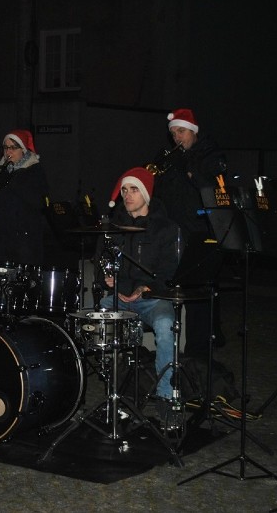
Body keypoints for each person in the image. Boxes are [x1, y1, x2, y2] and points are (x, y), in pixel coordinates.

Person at [95, 167, 181, 420]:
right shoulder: (113, 228)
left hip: (153, 299)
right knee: (98, 314)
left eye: (134, 189)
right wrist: (108, 280)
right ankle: (117, 392)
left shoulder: (166, 228)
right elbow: (101, 263)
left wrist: (145, 288)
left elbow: (172, 270)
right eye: (124, 190)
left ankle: (166, 396)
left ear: (145, 192)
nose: (128, 195)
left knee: (166, 325)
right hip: (119, 298)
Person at [152, 108, 228, 359]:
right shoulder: (173, 158)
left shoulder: (209, 154)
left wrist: (187, 164)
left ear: (193, 132)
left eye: (181, 131)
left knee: (198, 294)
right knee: (170, 287)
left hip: (200, 232)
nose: (176, 138)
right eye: (173, 133)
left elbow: (210, 186)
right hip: (172, 230)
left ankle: (198, 351)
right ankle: (168, 345)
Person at [0, 129, 49, 266]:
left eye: (13, 147)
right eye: (6, 147)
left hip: (24, 241)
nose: (8, 152)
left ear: (23, 150)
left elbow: (40, 202)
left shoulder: (34, 170)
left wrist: (13, 180)